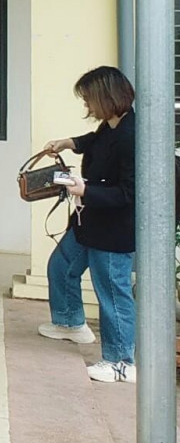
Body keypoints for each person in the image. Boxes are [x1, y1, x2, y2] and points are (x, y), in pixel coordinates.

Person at [36, 65, 136, 384]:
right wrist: (67, 143)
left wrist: (85, 190)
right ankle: (70, 323)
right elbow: (94, 143)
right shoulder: (111, 126)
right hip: (90, 221)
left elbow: (129, 193)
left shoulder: (132, 136)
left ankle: (121, 362)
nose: (86, 105)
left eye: (88, 99)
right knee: (61, 265)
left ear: (106, 97)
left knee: (112, 292)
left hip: (113, 230)